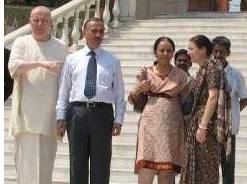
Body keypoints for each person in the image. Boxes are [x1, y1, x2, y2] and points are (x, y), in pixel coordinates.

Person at [55, 17, 126, 184]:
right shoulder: (72, 59)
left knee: (101, 164)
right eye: (94, 31)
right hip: (77, 114)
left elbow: (119, 94)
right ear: (84, 32)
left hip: (102, 114)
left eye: (101, 31)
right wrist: (60, 116)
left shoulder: (112, 61)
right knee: (77, 162)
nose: (98, 34)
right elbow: (64, 91)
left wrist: (119, 119)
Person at [8, 6, 67, 184]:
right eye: (36, 20)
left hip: (50, 117)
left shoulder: (61, 46)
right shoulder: (21, 42)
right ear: (30, 22)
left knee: (45, 169)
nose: (40, 24)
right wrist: (41, 64)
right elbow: (14, 67)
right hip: (25, 117)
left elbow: (66, 83)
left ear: (51, 23)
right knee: (25, 170)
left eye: (44, 20)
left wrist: (63, 116)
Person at [128, 37, 191, 184]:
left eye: (169, 50)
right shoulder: (146, 72)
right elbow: (132, 98)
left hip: (172, 124)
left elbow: (188, 103)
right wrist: (139, 88)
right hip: (149, 122)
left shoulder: (181, 76)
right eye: (162, 50)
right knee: (146, 167)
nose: (165, 53)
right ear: (155, 52)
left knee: (167, 170)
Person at [180, 35, 231, 184]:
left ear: (203, 50)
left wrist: (202, 126)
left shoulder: (212, 67)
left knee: (205, 169)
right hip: (198, 121)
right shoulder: (204, 68)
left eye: (191, 49)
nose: (188, 52)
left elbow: (213, 96)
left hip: (206, 125)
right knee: (195, 167)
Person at [212, 36, 247, 184]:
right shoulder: (207, 72)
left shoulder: (236, 75)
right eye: (216, 51)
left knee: (227, 167)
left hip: (228, 129)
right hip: (209, 128)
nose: (219, 55)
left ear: (228, 52)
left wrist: (230, 114)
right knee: (209, 167)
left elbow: (244, 98)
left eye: (222, 51)